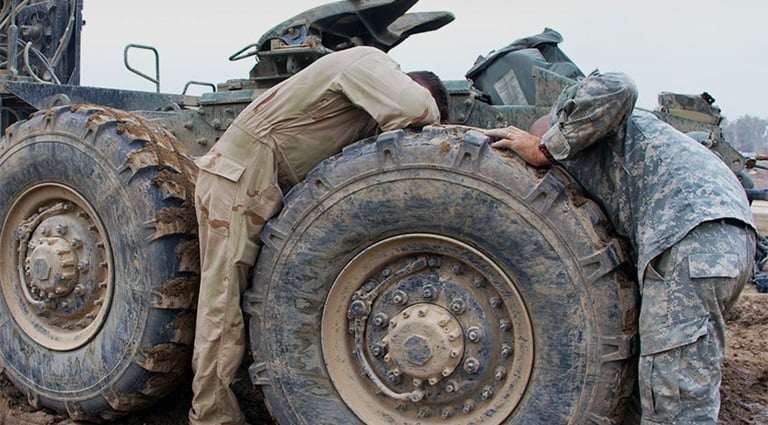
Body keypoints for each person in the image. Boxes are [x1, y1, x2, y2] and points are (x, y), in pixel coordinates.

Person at [189, 45, 448, 425]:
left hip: (252, 180)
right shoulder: (369, 60)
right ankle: (211, 417)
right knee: (222, 304)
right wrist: (437, 124)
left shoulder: (359, 96)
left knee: (226, 301)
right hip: (239, 179)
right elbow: (416, 109)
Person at [485, 71, 755, 424]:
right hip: (712, 240)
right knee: (658, 375)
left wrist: (545, 148)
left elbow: (619, 85)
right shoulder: (622, 149)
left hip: (695, 238)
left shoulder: (583, 124)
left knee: (675, 394)